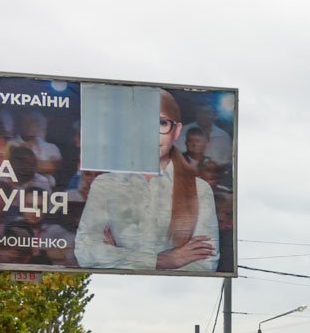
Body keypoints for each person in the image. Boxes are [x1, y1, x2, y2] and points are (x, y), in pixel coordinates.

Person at [76, 89, 220, 272]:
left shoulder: (200, 190)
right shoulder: (106, 185)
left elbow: (205, 264)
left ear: (176, 131)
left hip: (176, 295)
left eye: (161, 123)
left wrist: (117, 256)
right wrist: (164, 260)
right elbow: (86, 252)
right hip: (116, 290)